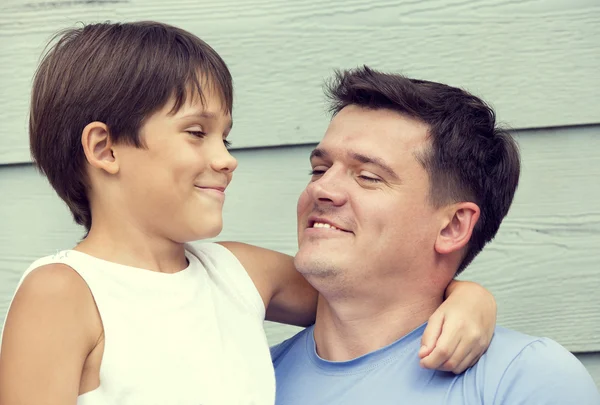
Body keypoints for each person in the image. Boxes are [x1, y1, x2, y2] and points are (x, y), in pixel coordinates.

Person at [0, 22, 497, 405]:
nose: (226, 158)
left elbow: (375, 290)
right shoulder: (62, 292)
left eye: (226, 137)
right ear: (105, 148)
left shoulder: (237, 274)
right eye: (196, 132)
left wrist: (470, 297)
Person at [271, 66, 600, 404]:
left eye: (368, 176)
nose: (322, 188)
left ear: (452, 226)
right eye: (319, 169)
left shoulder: (525, 379)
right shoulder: (247, 378)